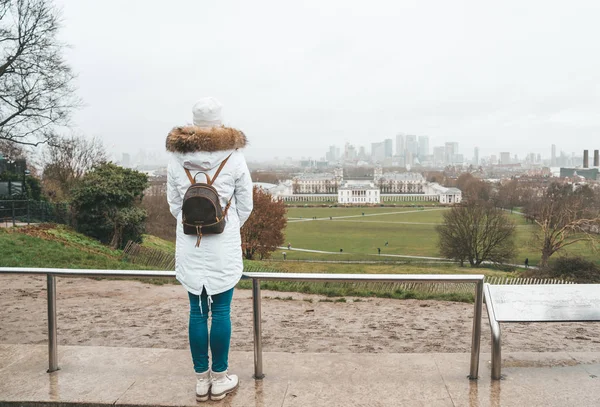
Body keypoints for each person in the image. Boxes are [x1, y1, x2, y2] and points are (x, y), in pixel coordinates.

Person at [166, 97, 253, 402]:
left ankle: (201, 380)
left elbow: (175, 206)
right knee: (222, 310)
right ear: (220, 123)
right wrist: (225, 225)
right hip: (223, 246)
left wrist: (193, 225)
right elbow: (246, 205)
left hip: (190, 244)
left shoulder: (177, 158)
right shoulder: (234, 156)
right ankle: (220, 377)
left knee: (197, 311)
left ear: (192, 124)